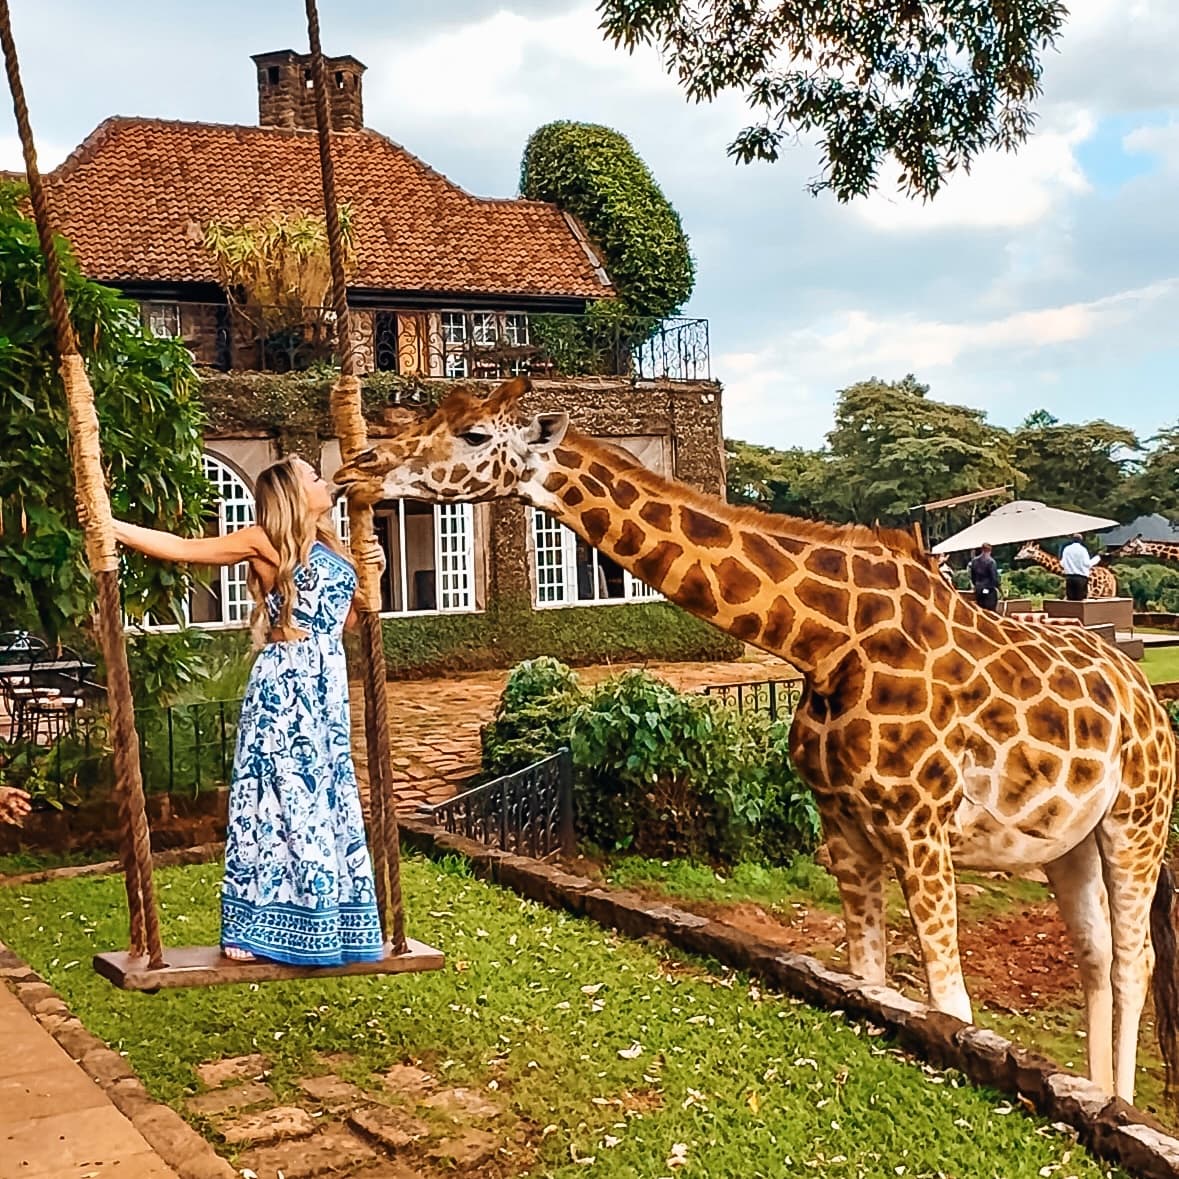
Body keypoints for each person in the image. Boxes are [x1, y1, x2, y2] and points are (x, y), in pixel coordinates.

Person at [113, 456, 384, 967]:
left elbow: (347, 621)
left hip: (327, 684)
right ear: (290, 492)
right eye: (312, 475)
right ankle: (257, 925)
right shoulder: (265, 540)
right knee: (278, 796)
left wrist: (373, 572)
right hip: (285, 685)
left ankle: (329, 922)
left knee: (324, 795)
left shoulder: (331, 546)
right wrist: (114, 527)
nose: (322, 480)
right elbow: (186, 550)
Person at [1060, 533, 1101, 601]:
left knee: (1070, 600)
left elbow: (1062, 563)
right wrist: (1097, 558)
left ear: (1072, 540)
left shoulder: (1066, 549)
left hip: (1069, 578)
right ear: (1081, 540)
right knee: (1081, 601)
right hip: (1081, 578)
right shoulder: (1083, 550)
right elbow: (1087, 564)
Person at [968, 542, 1000, 612]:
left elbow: (972, 577)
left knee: (980, 610)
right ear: (990, 551)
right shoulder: (991, 562)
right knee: (991, 612)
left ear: (982, 550)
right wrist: (998, 587)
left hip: (978, 589)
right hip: (989, 590)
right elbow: (994, 578)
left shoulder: (974, 561)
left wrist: (976, 585)